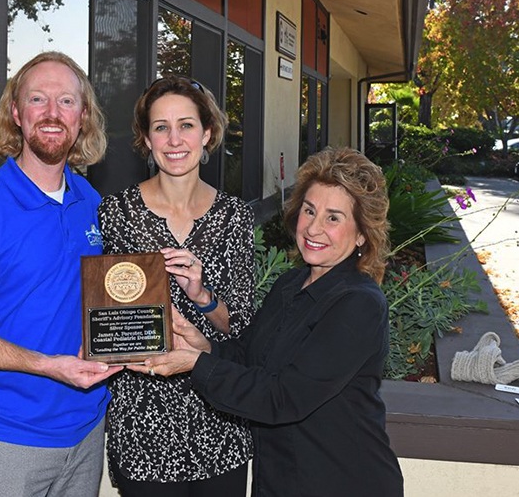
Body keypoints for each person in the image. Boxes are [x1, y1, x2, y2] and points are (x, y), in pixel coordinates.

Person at [139, 147, 404, 497]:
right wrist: (202, 345)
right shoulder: (290, 285)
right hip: (282, 479)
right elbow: (251, 357)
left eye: (333, 218)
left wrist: (195, 364)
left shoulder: (359, 304)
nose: (313, 227)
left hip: (342, 480)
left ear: (361, 235)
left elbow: (283, 396)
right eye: (309, 210)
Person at [0, 51, 122, 497]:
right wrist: (47, 365)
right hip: (4, 437)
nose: (53, 113)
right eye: (38, 99)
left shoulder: (90, 202)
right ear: (16, 112)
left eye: (66, 101)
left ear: (83, 115)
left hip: (86, 431)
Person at [97, 75, 255, 496]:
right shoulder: (116, 214)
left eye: (186, 125)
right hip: (142, 424)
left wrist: (202, 295)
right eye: (160, 127)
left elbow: (240, 329)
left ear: (207, 133)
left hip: (218, 421)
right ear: (146, 140)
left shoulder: (234, 218)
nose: (174, 139)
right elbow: (106, 321)